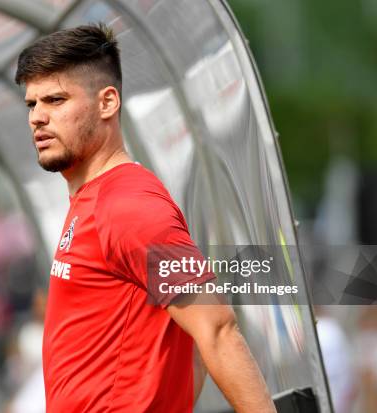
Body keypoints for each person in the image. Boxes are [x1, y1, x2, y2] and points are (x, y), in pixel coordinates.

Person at [15, 23, 276, 412]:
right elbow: (194, 352)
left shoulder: (128, 206)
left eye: (55, 100)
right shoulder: (95, 199)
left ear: (107, 103)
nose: (38, 117)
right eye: (32, 104)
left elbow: (217, 331)